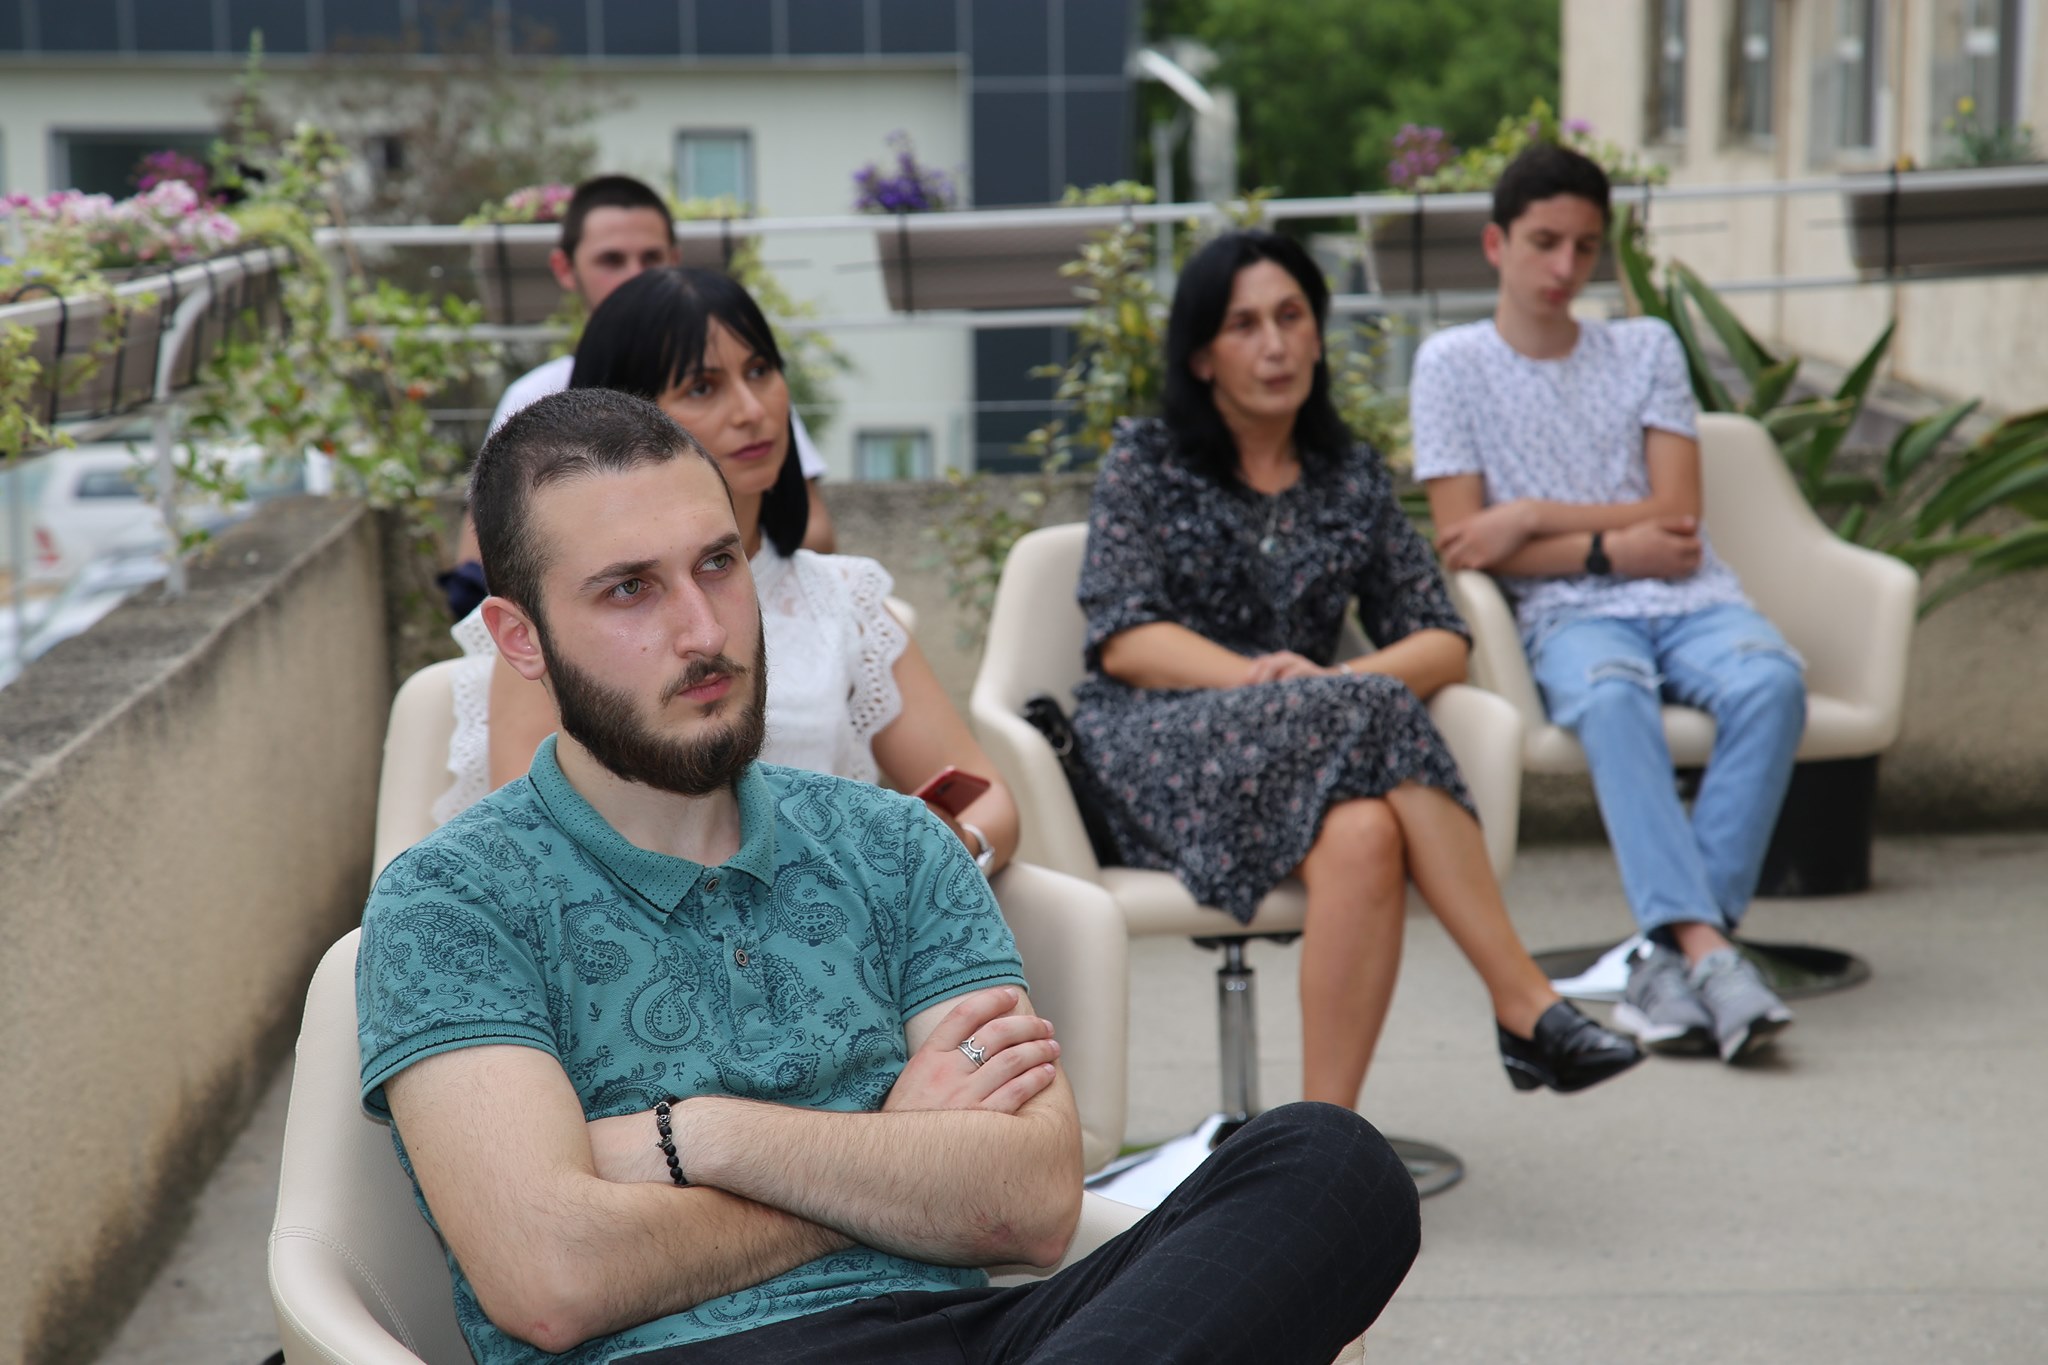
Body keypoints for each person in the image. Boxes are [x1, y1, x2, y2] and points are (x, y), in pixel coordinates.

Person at [357, 386, 1423, 1364]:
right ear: (521, 638)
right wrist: (894, 1158)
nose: (703, 629)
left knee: (1329, 1164)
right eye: (629, 589)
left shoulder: (896, 843)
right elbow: (551, 1278)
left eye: (718, 564)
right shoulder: (451, 899)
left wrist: (697, 1137)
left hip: (973, 1336)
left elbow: (1030, 1201)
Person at [1070, 228, 1642, 1105]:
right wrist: (1267, 684)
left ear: (1318, 333)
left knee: (1367, 829)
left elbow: (1443, 639)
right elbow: (1126, 638)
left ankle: (1321, 1140)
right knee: (1366, 707)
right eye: (1245, 325)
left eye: (1292, 316)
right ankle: (1524, 1003)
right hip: (1155, 748)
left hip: (1309, 743)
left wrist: (1328, 691)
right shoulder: (1147, 462)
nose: (1275, 344)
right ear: (1201, 357)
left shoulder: (1350, 478)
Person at [1412, 143, 1806, 1064]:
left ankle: (1670, 958)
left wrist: (1531, 515)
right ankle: (1707, 953)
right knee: (1614, 694)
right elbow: (1465, 540)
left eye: (1585, 247)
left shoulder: (1646, 346)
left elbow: (1678, 512)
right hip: (1567, 614)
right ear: (1496, 244)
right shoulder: (1450, 364)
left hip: (1690, 593)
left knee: (1773, 683)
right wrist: (1613, 544)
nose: (1565, 267)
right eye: (1544, 242)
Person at [434, 265, 1020, 878]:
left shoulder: (843, 597)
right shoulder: (558, 619)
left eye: (761, 371)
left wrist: (937, 863)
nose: (751, 410)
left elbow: (987, 798)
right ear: (622, 420)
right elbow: (533, 851)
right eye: (702, 387)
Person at [443, 174, 833, 614]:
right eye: (612, 260)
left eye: (651, 257)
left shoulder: (752, 399)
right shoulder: (534, 396)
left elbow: (809, 524)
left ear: (675, 260)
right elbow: (485, 554)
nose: (635, 275)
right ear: (566, 269)